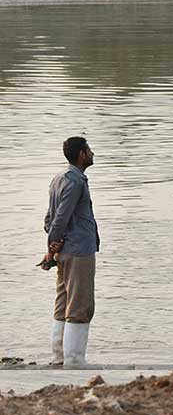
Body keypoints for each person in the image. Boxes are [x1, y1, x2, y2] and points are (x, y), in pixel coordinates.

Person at [42, 137, 100, 367]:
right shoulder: (75, 182)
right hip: (78, 252)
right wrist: (50, 249)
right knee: (80, 305)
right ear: (81, 154)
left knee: (63, 303)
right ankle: (75, 360)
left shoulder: (58, 179)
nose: (93, 153)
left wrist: (54, 245)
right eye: (89, 150)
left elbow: (49, 220)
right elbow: (60, 219)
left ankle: (59, 358)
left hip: (65, 249)